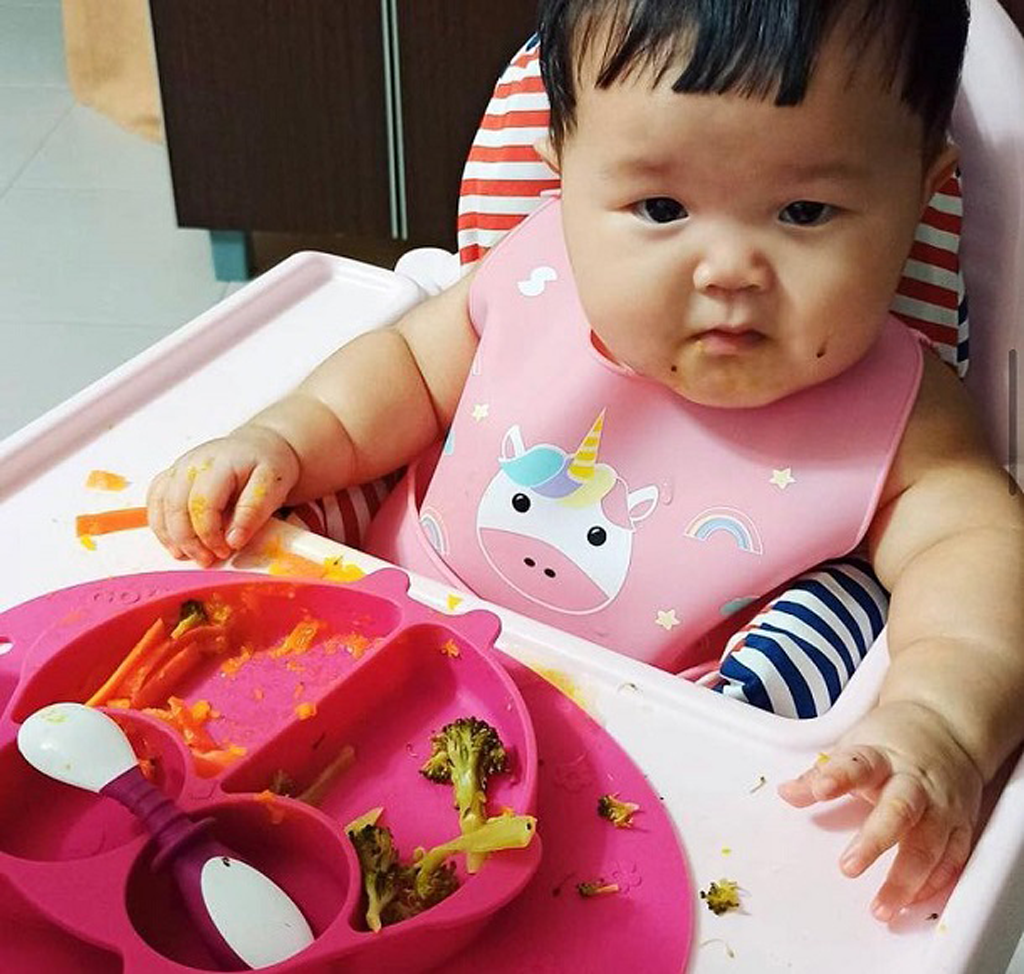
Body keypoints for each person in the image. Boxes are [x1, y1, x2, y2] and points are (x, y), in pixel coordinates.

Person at [148, 0, 1024, 923]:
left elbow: (979, 551)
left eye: (805, 210)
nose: (727, 267)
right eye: (660, 207)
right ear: (561, 171)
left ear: (920, 194)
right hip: (371, 653)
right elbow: (401, 369)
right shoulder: (534, 279)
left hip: (649, 774)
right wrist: (283, 440)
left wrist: (944, 721)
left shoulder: (899, 409)